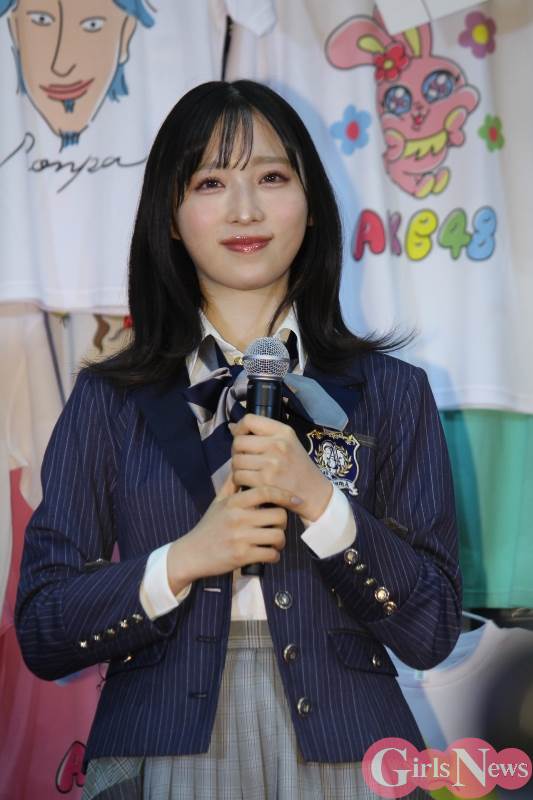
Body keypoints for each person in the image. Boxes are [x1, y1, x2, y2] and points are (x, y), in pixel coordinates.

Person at [15, 80, 461, 799]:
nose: (244, 209)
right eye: (210, 182)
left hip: (351, 750)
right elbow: (42, 630)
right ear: (169, 216)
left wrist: (322, 504)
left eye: (272, 178)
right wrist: (184, 559)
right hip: (159, 749)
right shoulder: (107, 399)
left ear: (311, 202)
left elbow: (432, 629)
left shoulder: (393, 391)